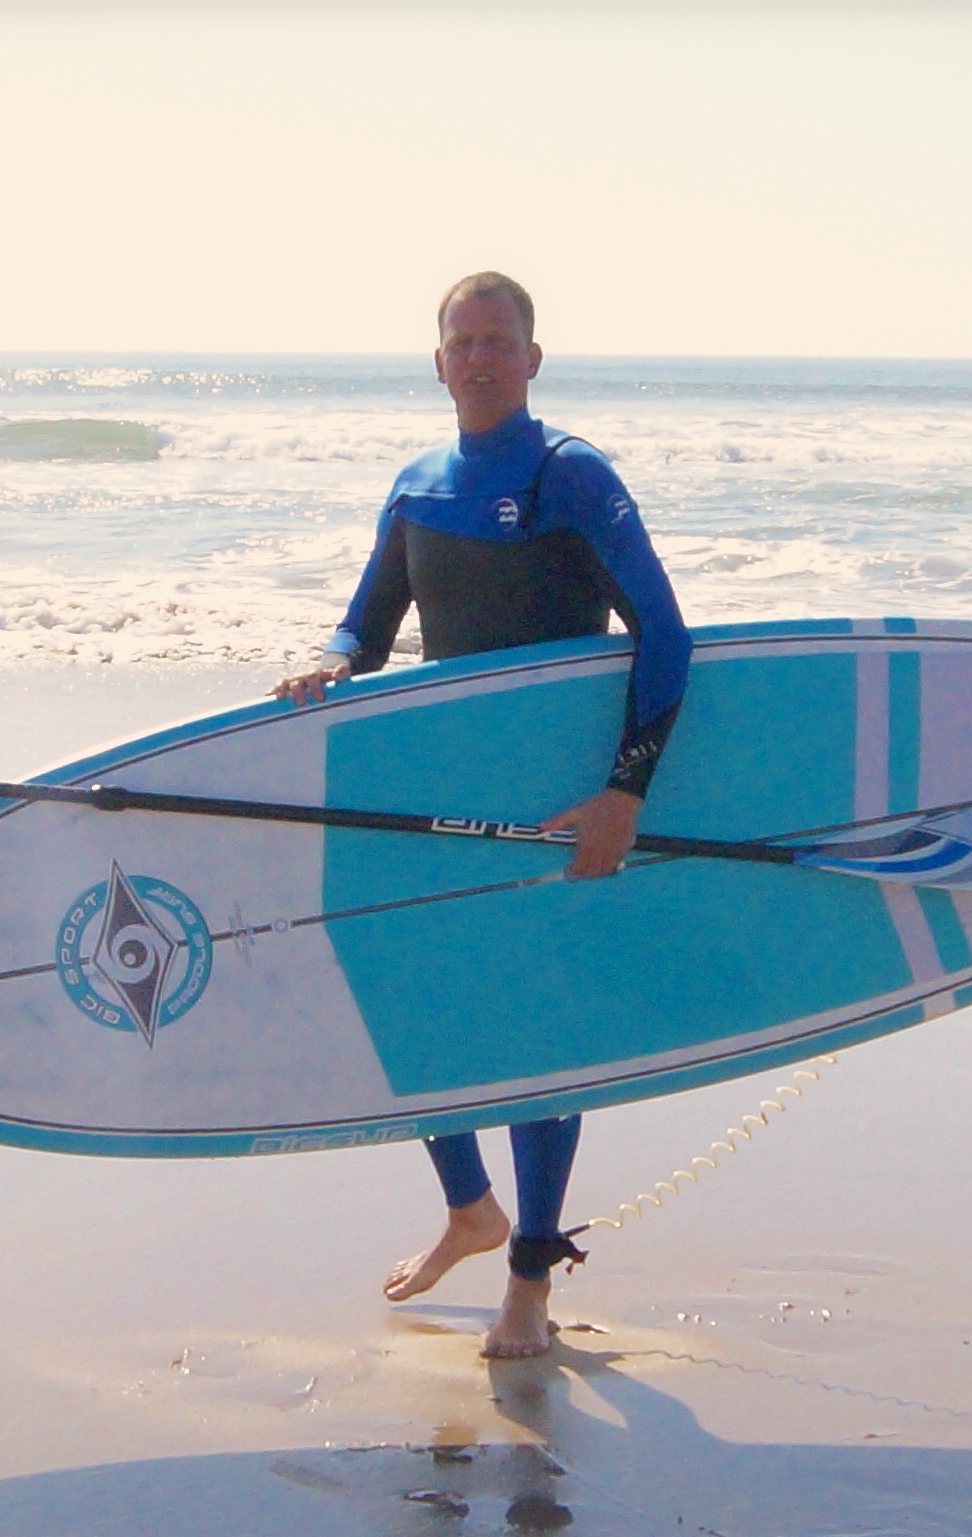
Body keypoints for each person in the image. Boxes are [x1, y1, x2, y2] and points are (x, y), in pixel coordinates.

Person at [274, 272, 691, 1359]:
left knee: (536, 1039)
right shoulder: (417, 487)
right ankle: (470, 1209)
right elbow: (367, 623)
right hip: (449, 797)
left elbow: (666, 631)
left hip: (560, 807)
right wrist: (328, 660)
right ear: (439, 361)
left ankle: (529, 1286)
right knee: (409, 1008)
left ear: (533, 357)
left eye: (500, 340)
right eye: (463, 341)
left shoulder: (572, 478)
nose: (482, 356)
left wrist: (625, 791)